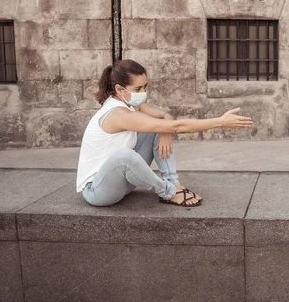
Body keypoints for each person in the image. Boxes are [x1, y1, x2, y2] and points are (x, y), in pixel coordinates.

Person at [76, 59, 253, 207]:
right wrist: (220, 122)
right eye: (138, 89)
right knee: (124, 155)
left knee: (156, 130)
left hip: (122, 183)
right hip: (99, 191)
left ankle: (173, 183)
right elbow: (177, 126)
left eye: (145, 87)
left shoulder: (130, 104)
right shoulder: (118, 114)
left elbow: (165, 116)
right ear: (120, 90)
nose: (143, 92)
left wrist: (164, 132)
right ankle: (168, 192)